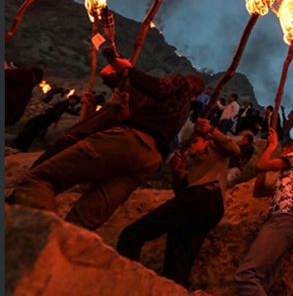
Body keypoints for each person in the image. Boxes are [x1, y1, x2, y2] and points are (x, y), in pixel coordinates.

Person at [10, 57, 205, 230]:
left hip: (130, 141)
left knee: (40, 178)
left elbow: (157, 87)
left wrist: (129, 69)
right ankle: (61, 249)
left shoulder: (179, 84)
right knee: (83, 220)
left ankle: (41, 237)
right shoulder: (183, 110)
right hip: (148, 161)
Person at [116, 119, 239, 287]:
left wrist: (210, 129)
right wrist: (178, 174)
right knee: (178, 266)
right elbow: (182, 193)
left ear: (208, 141)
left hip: (203, 198)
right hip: (203, 205)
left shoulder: (217, 150)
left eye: (195, 141)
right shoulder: (196, 165)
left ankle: (127, 285)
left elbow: (234, 149)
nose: (191, 148)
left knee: (131, 236)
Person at [234, 128, 293, 296]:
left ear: (291, 149)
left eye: (284, 150)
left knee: (246, 275)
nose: (281, 153)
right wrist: (263, 164)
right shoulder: (289, 180)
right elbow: (259, 191)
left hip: (284, 218)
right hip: (291, 223)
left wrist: (271, 146)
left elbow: (262, 164)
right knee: (262, 281)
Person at [10, 93, 80, 151]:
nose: (74, 102)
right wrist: (55, 119)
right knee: (31, 132)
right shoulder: (64, 104)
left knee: (31, 131)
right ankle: (20, 146)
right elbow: (54, 112)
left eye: (75, 102)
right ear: (71, 99)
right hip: (44, 120)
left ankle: (18, 145)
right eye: (74, 101)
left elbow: (67, 111)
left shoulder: (64, 104)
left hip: (44, 120)